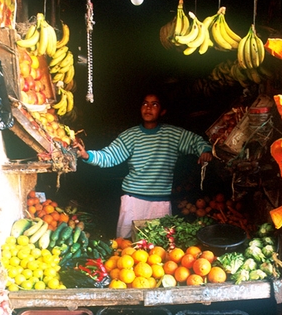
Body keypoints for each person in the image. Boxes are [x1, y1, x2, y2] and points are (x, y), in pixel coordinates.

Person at [72, 92, 213, 238]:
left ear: (162, 111)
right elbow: (110, 156)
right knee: (126, 247)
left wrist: (205, 150)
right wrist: (87, 155)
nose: (148, 108)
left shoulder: (173, 135)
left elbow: (196, 141)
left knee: (159, 249)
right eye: (145, 103)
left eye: (154, 104)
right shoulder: (130, 136)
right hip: (133, 200)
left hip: (160, 203)